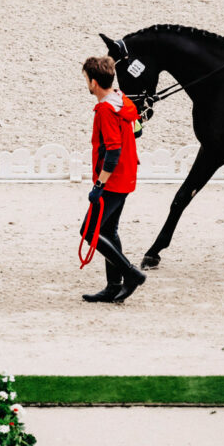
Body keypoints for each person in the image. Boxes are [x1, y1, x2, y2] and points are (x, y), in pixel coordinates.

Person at [80, 56, 146, 303]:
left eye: (86, 79)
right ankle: (112, 286)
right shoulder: (122, 100)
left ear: (94, 82)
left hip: (112, 181)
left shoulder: (106, 110)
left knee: (89, 231)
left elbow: (113, 151)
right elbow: (136, 130)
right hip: (126, 177)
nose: (86, 83)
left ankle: (130, 274)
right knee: (109, 229)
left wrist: (99, 185)